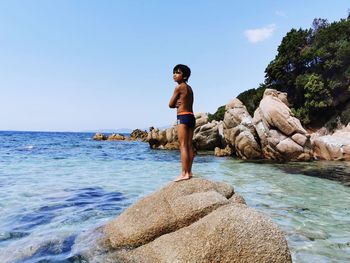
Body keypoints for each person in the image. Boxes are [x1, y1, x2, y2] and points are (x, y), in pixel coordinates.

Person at [168, 64, 195, 182]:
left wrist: (175, 105)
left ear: (184, 76)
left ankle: (184, 173)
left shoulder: (179, 88)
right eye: (174, 72)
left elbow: (170, 104)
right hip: (191, 116)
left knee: (183, 145)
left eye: (177, 73)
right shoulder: (189, 88)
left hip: (182, 116)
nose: (174, 75)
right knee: (189, 145)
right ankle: (189, 171)